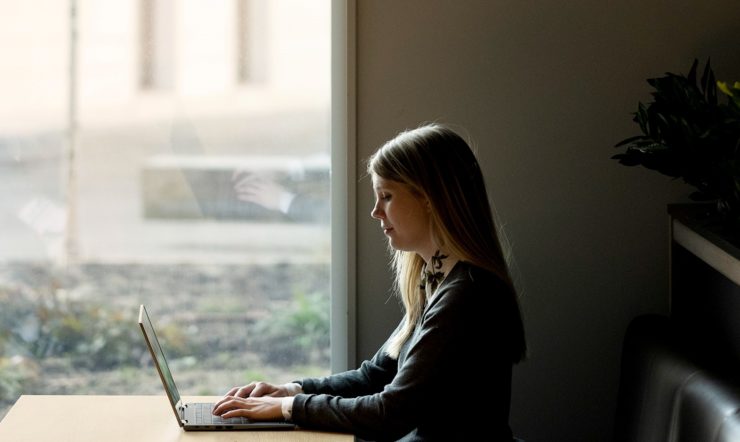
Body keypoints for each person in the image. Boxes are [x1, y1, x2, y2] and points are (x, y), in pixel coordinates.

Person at [212, 123, 527, 441]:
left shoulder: (467, 295)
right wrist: (290, 390)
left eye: (387, 196)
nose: (376, 212)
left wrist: (288, 408)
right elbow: (376, 375)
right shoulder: (438, 280)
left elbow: (389, 413)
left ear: (429, 198)